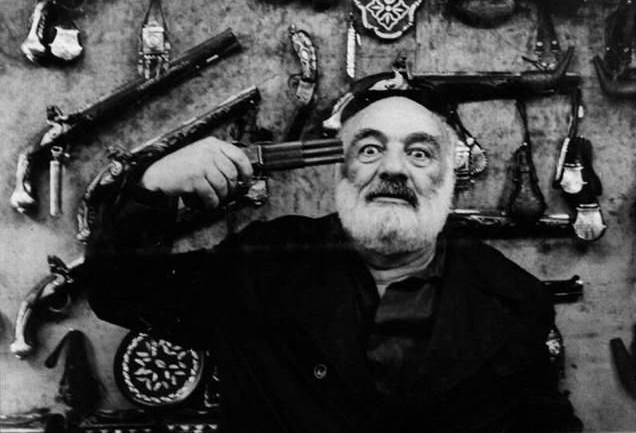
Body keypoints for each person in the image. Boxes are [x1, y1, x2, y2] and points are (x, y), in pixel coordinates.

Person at [86, 84, 583, 432]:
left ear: (449, 177)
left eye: (419, 153)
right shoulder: (259, 263)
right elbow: (119, 292)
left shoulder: (516, 300)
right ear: (340, 171)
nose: (393, 169)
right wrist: (152, 188)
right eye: (369, 150)